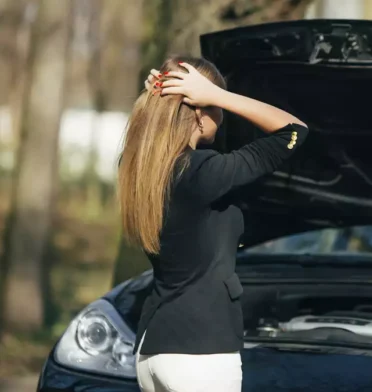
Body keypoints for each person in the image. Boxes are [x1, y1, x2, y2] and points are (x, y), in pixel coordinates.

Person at [117, 56, 308, 392]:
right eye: (215, 105)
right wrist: (218, 95)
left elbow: (153, 137)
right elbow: (294, 130)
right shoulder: (203, 173)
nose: (222, 115)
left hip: (154, 349)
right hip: (199, 350)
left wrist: (157, 105)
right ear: (199, 109)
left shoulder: (141, 170)